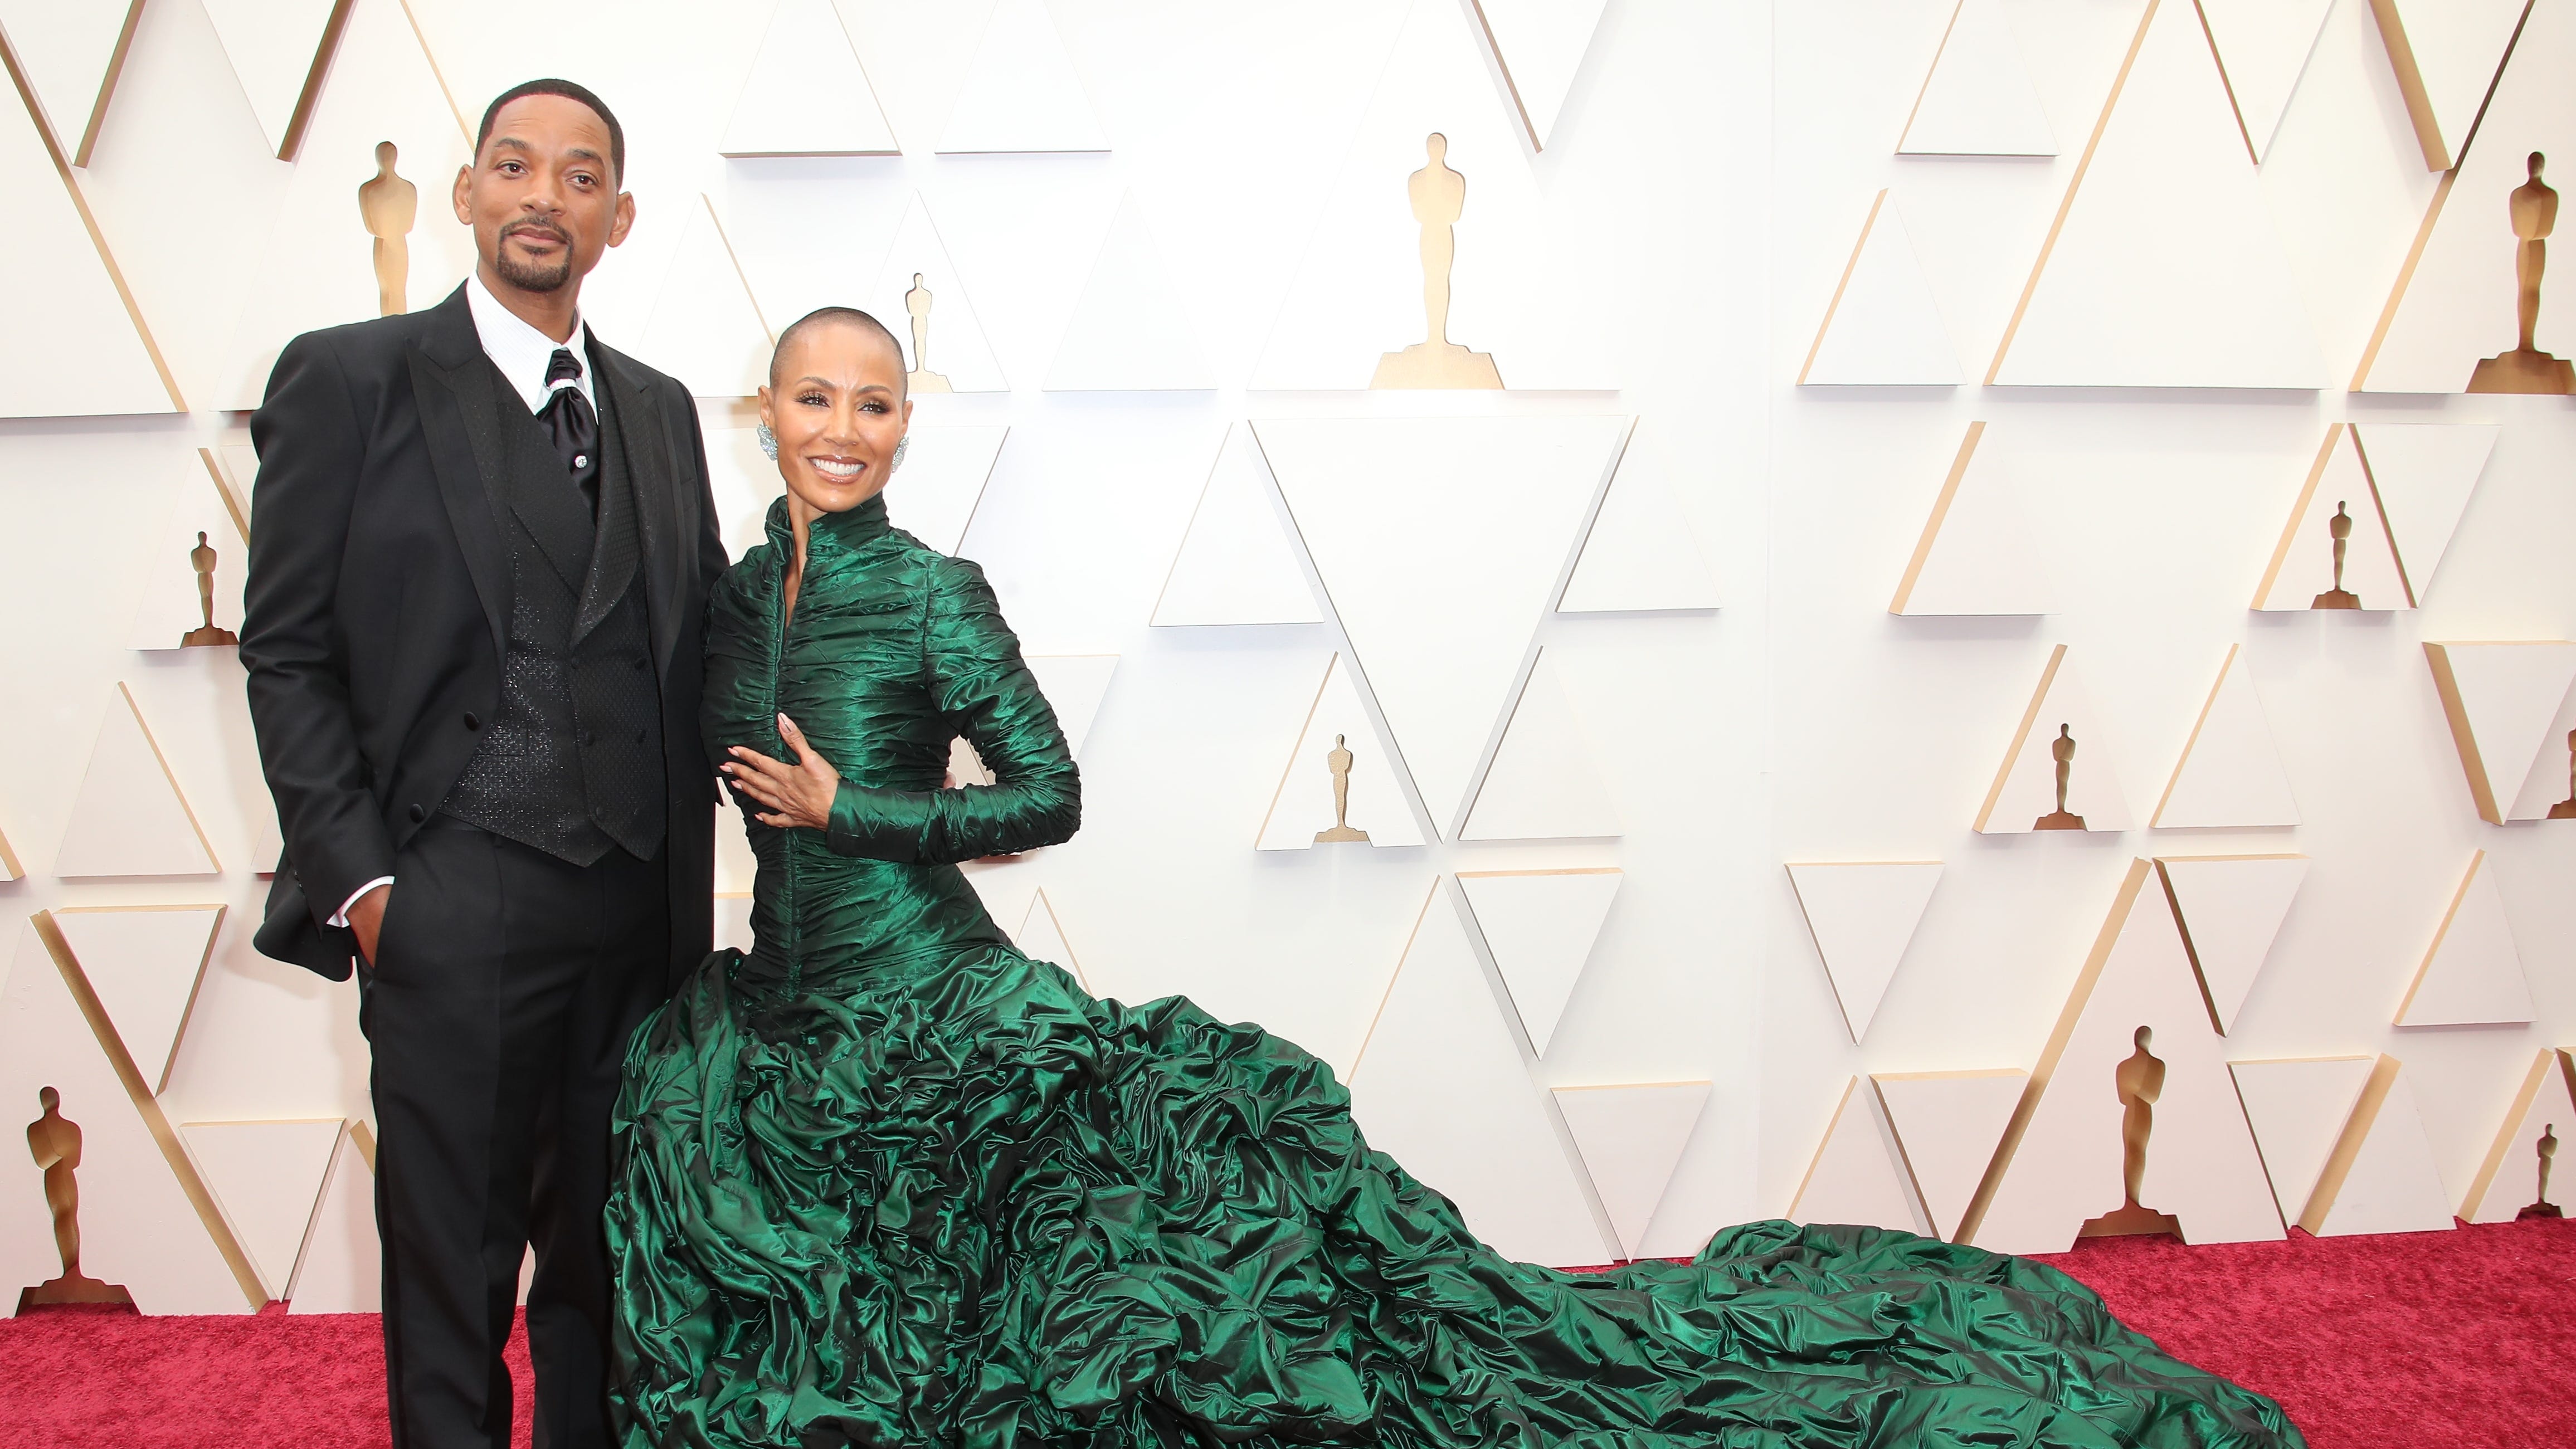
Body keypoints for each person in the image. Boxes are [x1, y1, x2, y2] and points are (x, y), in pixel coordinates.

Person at [605, 311, 2302, 1448]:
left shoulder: (933, 592)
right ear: (769, 412)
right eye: (815, 399)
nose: (844, 428)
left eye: (876, 402)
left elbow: (1049, 793)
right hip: (789, 1026)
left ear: (909, 421)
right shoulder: (731, 597)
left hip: (951, 1017)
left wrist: (861, 814)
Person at [241, 79, 726, 1449]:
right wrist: (367, 886)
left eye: (578, 177)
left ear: (616, 218)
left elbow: (703, 641)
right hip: (452, 897)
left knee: (606, 1266)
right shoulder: (346, 378)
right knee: (451, 1274)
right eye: (512, 166)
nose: (541, 196)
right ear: (465, 194)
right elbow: (282, 649)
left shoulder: (662, 409)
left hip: (637, 915)